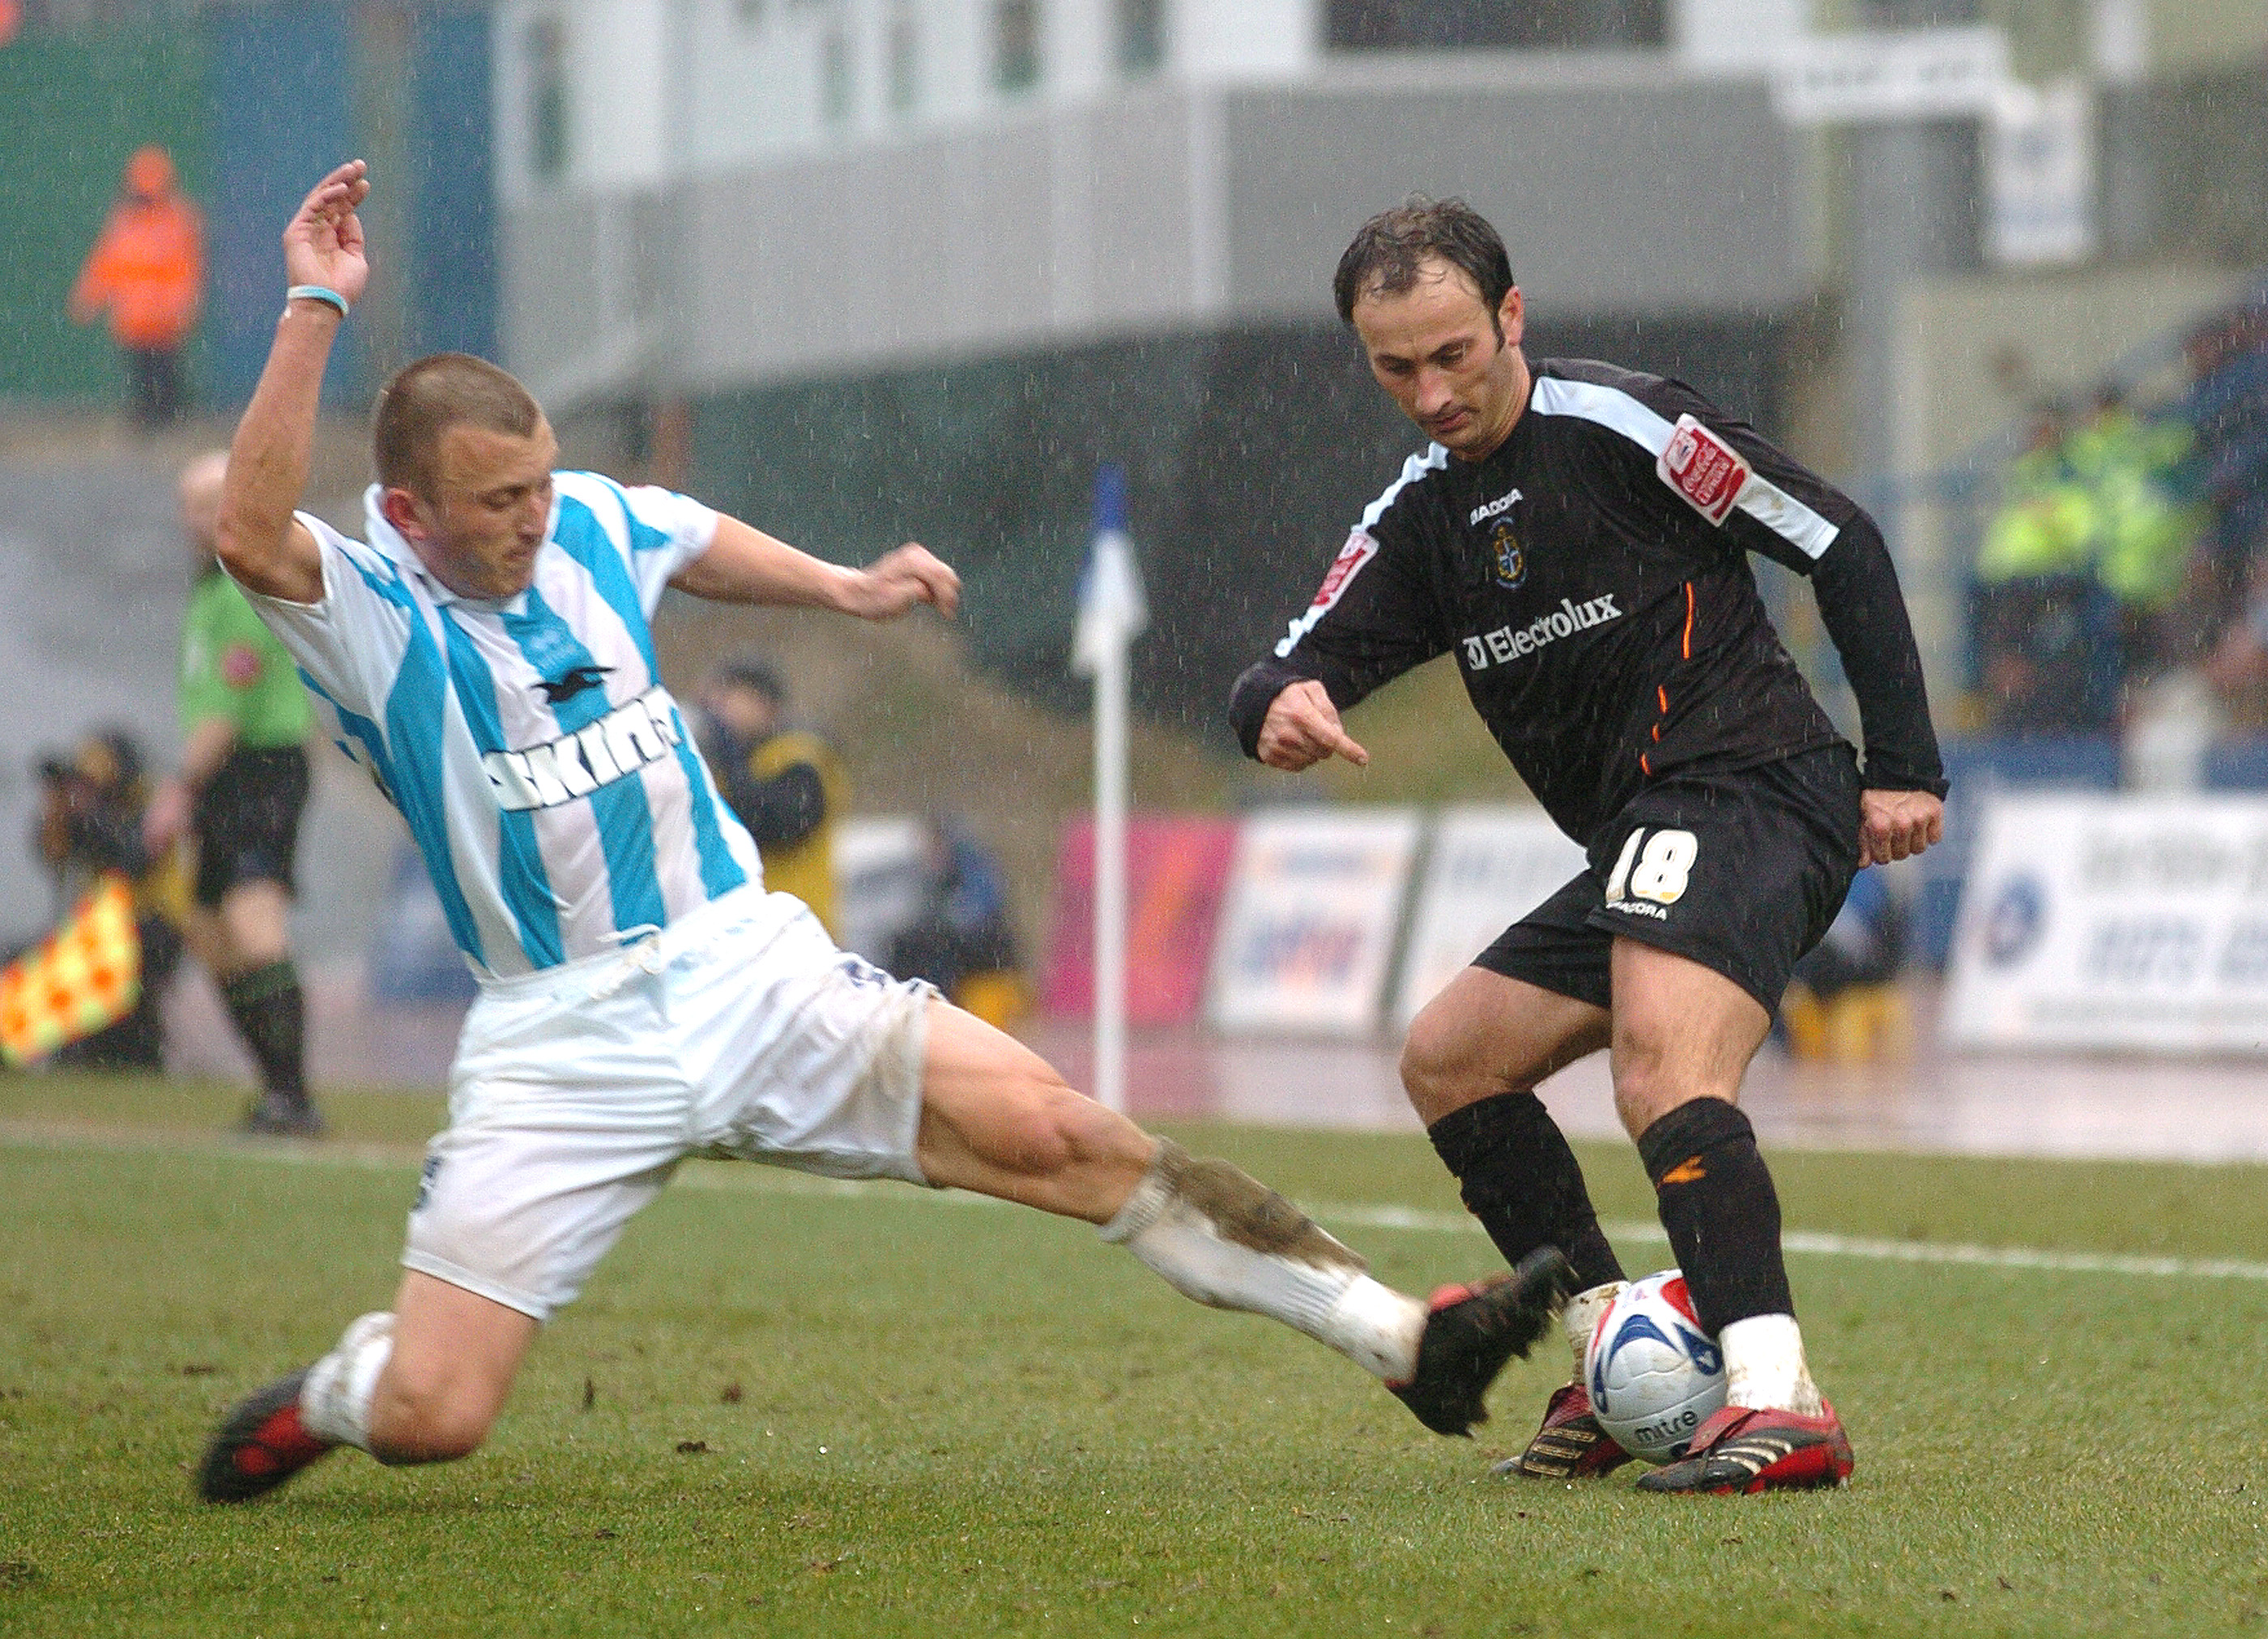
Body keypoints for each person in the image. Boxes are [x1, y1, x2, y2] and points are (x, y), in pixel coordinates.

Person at [194, 163, 1573, 1505]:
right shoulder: (370, 610)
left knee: (1062, 1130)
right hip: (563, 1043)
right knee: (434, 1418)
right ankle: (345, 1387)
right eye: (496, 504)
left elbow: (692, 533)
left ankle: (1407, 1345)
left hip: (752, 972)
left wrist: (845, 588)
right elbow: (252, 533)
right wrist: (314, 304)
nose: (531, 520)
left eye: (540, 488)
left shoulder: (584, 519)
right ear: (405, 512)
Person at [1229, 198, 1947, 1496]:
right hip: (1648, 840)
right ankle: (1610, 1359)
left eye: (1455, 352)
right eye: (1397, 368)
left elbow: (1836, 535)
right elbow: (1299, 655)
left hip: (1757, 787)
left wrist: (1901, 762)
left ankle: (1781, 1400)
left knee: (1663, 1066)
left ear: (1512, 316)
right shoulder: (1422, 520)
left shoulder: (1629, 429)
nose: (1433, 391)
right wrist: (1277, 705)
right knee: (1452, 1059)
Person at [143, 453, 322, 1137]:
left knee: (253, 920)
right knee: (211, 932)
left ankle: (293, 1095)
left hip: (259, 767)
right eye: (188, 504)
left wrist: (177, 789)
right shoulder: (208, 589)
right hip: (227, 775)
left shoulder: (245, 585)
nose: (195, 519)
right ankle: (275, 1088)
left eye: (210, 503)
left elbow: (227, 705)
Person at [28, 730, 185, 1072]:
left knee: (124, 990)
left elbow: (133, 859)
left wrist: (86, 816)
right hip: (100, 927)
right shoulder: (91, 813)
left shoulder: (152, 800)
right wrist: (56, 811)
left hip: (156, 924)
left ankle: (129, 1050)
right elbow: (51, 854)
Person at [694, 658, 848, 939]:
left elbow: (777, 823)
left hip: (800, 933)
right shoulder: (727, 766)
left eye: (730, 698)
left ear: (764, 703)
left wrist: (729, 752)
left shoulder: (800, 754)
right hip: (747, 935)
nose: (718, 711)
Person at [69, 145, 203, 431]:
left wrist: (183, 305)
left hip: (163, 319)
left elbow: (188, 269)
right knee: (141, 373)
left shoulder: (178, 220)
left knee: (165, 372)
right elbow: (105, 263)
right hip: (133, 318)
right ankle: (147, 419)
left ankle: (167, 418)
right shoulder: (125, 221)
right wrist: (87, 299)